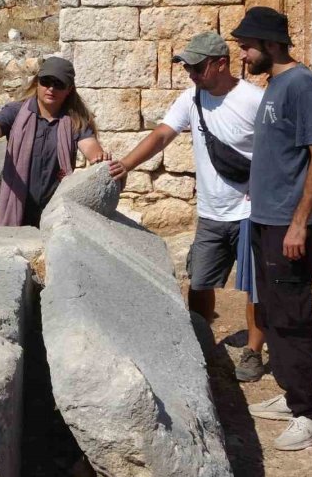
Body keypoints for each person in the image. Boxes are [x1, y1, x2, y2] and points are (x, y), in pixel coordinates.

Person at [108, 31, 267, 382]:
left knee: (256, 287)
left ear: (221, 63)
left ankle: (253, 352)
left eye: (197, 67)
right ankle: (202, 344)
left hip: (250, 212)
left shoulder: (255, 100)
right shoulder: (192, 98)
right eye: (187, 67)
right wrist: (126, 164)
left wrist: (266, 189)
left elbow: (277, 151)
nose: (191, 74)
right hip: (211, 212)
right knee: (199, 283)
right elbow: (162, 134)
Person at [231, 6, 312, 451]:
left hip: (288, 226)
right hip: (265, 219)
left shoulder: (301, 85)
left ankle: (310, 416)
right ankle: (293, 396)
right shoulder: (273, 86)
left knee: (292, 317)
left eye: (247, 45)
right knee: (273, 311)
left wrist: (298, 224)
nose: (242, 54)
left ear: (271, 44)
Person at [0, 57, 109, 227]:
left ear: (69, 89)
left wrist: (99, 157)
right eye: (46, 81)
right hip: (16, 202)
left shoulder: (75, 120)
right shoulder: (17, 111)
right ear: (37, 83)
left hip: (55, 207)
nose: (51, 88)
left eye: (59, 84)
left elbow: (90, 146)